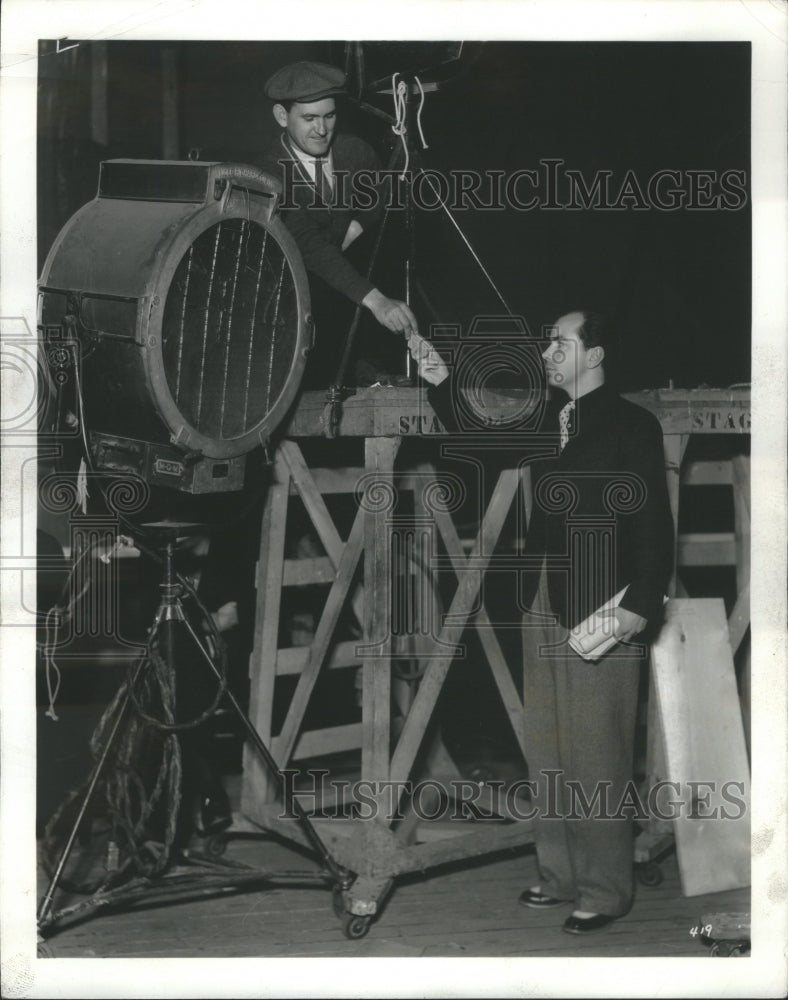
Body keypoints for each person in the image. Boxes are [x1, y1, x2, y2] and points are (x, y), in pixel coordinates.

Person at [408, 311, 674, 934]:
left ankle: (606, 892)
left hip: (604, 611)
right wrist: (441, 377)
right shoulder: (545, 422)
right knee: (550, 752)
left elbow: (655, 526)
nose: (548, 350)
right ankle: (558, 875)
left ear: (597, 354)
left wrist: (642, 601)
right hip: (542, 607)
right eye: (549, 340)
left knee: (597, 757)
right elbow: (478, 433)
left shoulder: (633, 425)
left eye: (562, 341)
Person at [260, 61, 418, 386]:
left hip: (341, 287)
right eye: (309, 118)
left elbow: (382, 194)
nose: (321, 129)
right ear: (281, 116)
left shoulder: (353, 151)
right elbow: (307, 245)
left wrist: (356, 227)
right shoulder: (269, 172)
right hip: (286, 304)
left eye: (329, 116)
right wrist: (377, 301)